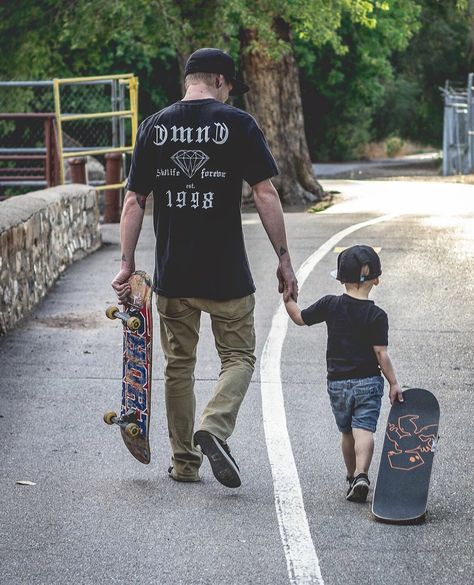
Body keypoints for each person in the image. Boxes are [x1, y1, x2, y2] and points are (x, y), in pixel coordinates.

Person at [111, 48, 298, 488]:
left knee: (178, 367)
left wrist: (126, 265)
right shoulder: (237, 124)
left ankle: (185, 463)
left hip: (174, 275)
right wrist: (284, 258)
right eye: (230, 86)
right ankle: (214, 427)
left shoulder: (154, 127)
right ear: (219, 80)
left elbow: (135, 200)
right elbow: (265, 194)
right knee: (238, 357)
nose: (230, 93)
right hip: (227, 275)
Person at [284, 245, 402, 502]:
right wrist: (393, 383)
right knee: (364, 430)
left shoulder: (330, 304)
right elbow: (381, 355)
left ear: (340, 278)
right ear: (376, 279)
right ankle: (361, 473)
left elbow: (300, 318)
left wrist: (289, 299)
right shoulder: (377, 315)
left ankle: (352, 477)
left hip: (337, 383)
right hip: (369, 382)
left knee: (347, 432)